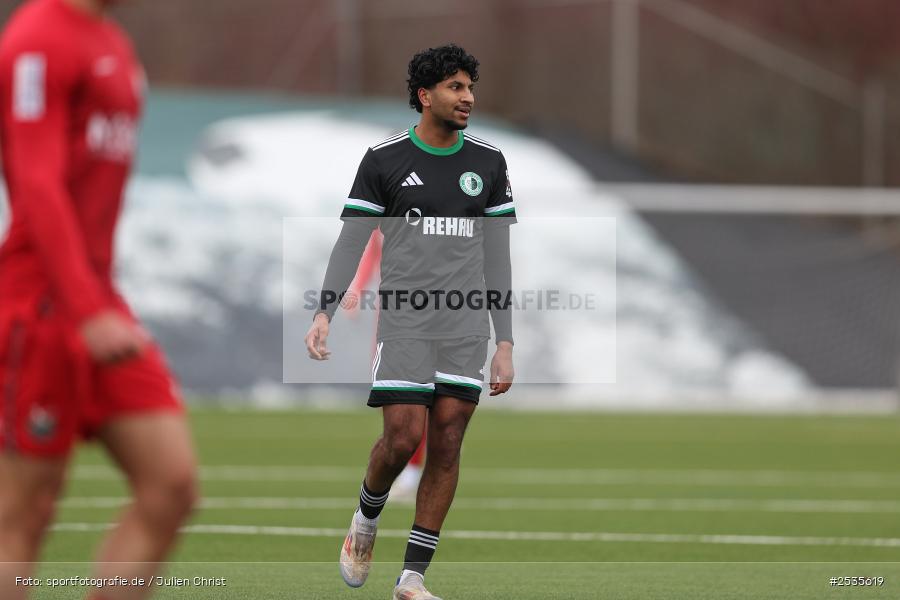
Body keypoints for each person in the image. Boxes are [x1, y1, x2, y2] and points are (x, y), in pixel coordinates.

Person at [0, 1, 198, 598]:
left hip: (98, 300)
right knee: (23, 513)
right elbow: (35, 181)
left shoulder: (110, 40)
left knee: (171, 485)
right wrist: (84, 310)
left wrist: (94, 304)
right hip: (39, 303)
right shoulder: (37, 38)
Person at [306, 43, 515, 600]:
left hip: (467, 325)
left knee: (447, 439)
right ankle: (366, 520)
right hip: (404, 321)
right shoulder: (383, 161)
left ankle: (412, 578)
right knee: (403, 438)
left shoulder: (489, 164)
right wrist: (324, 310)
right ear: (425, 96)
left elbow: (498, 257)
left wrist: (506, 341)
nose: (467, 97)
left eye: (470, 87)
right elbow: (352, 239)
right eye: (455, 87)